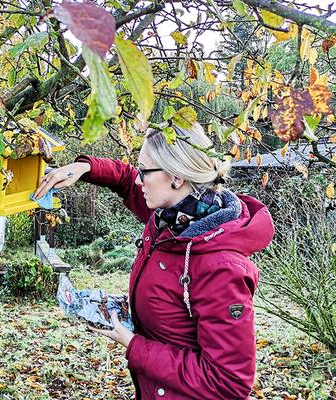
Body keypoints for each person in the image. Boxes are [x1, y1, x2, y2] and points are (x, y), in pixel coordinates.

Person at [34, 122, 274, 399]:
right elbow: (125, 178)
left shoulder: (220, 268)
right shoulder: (169, 216)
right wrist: (84, 168)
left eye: (145, 171)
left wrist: (135, 345)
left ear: (176, 177)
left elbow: (228, 383)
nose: (138, 179)